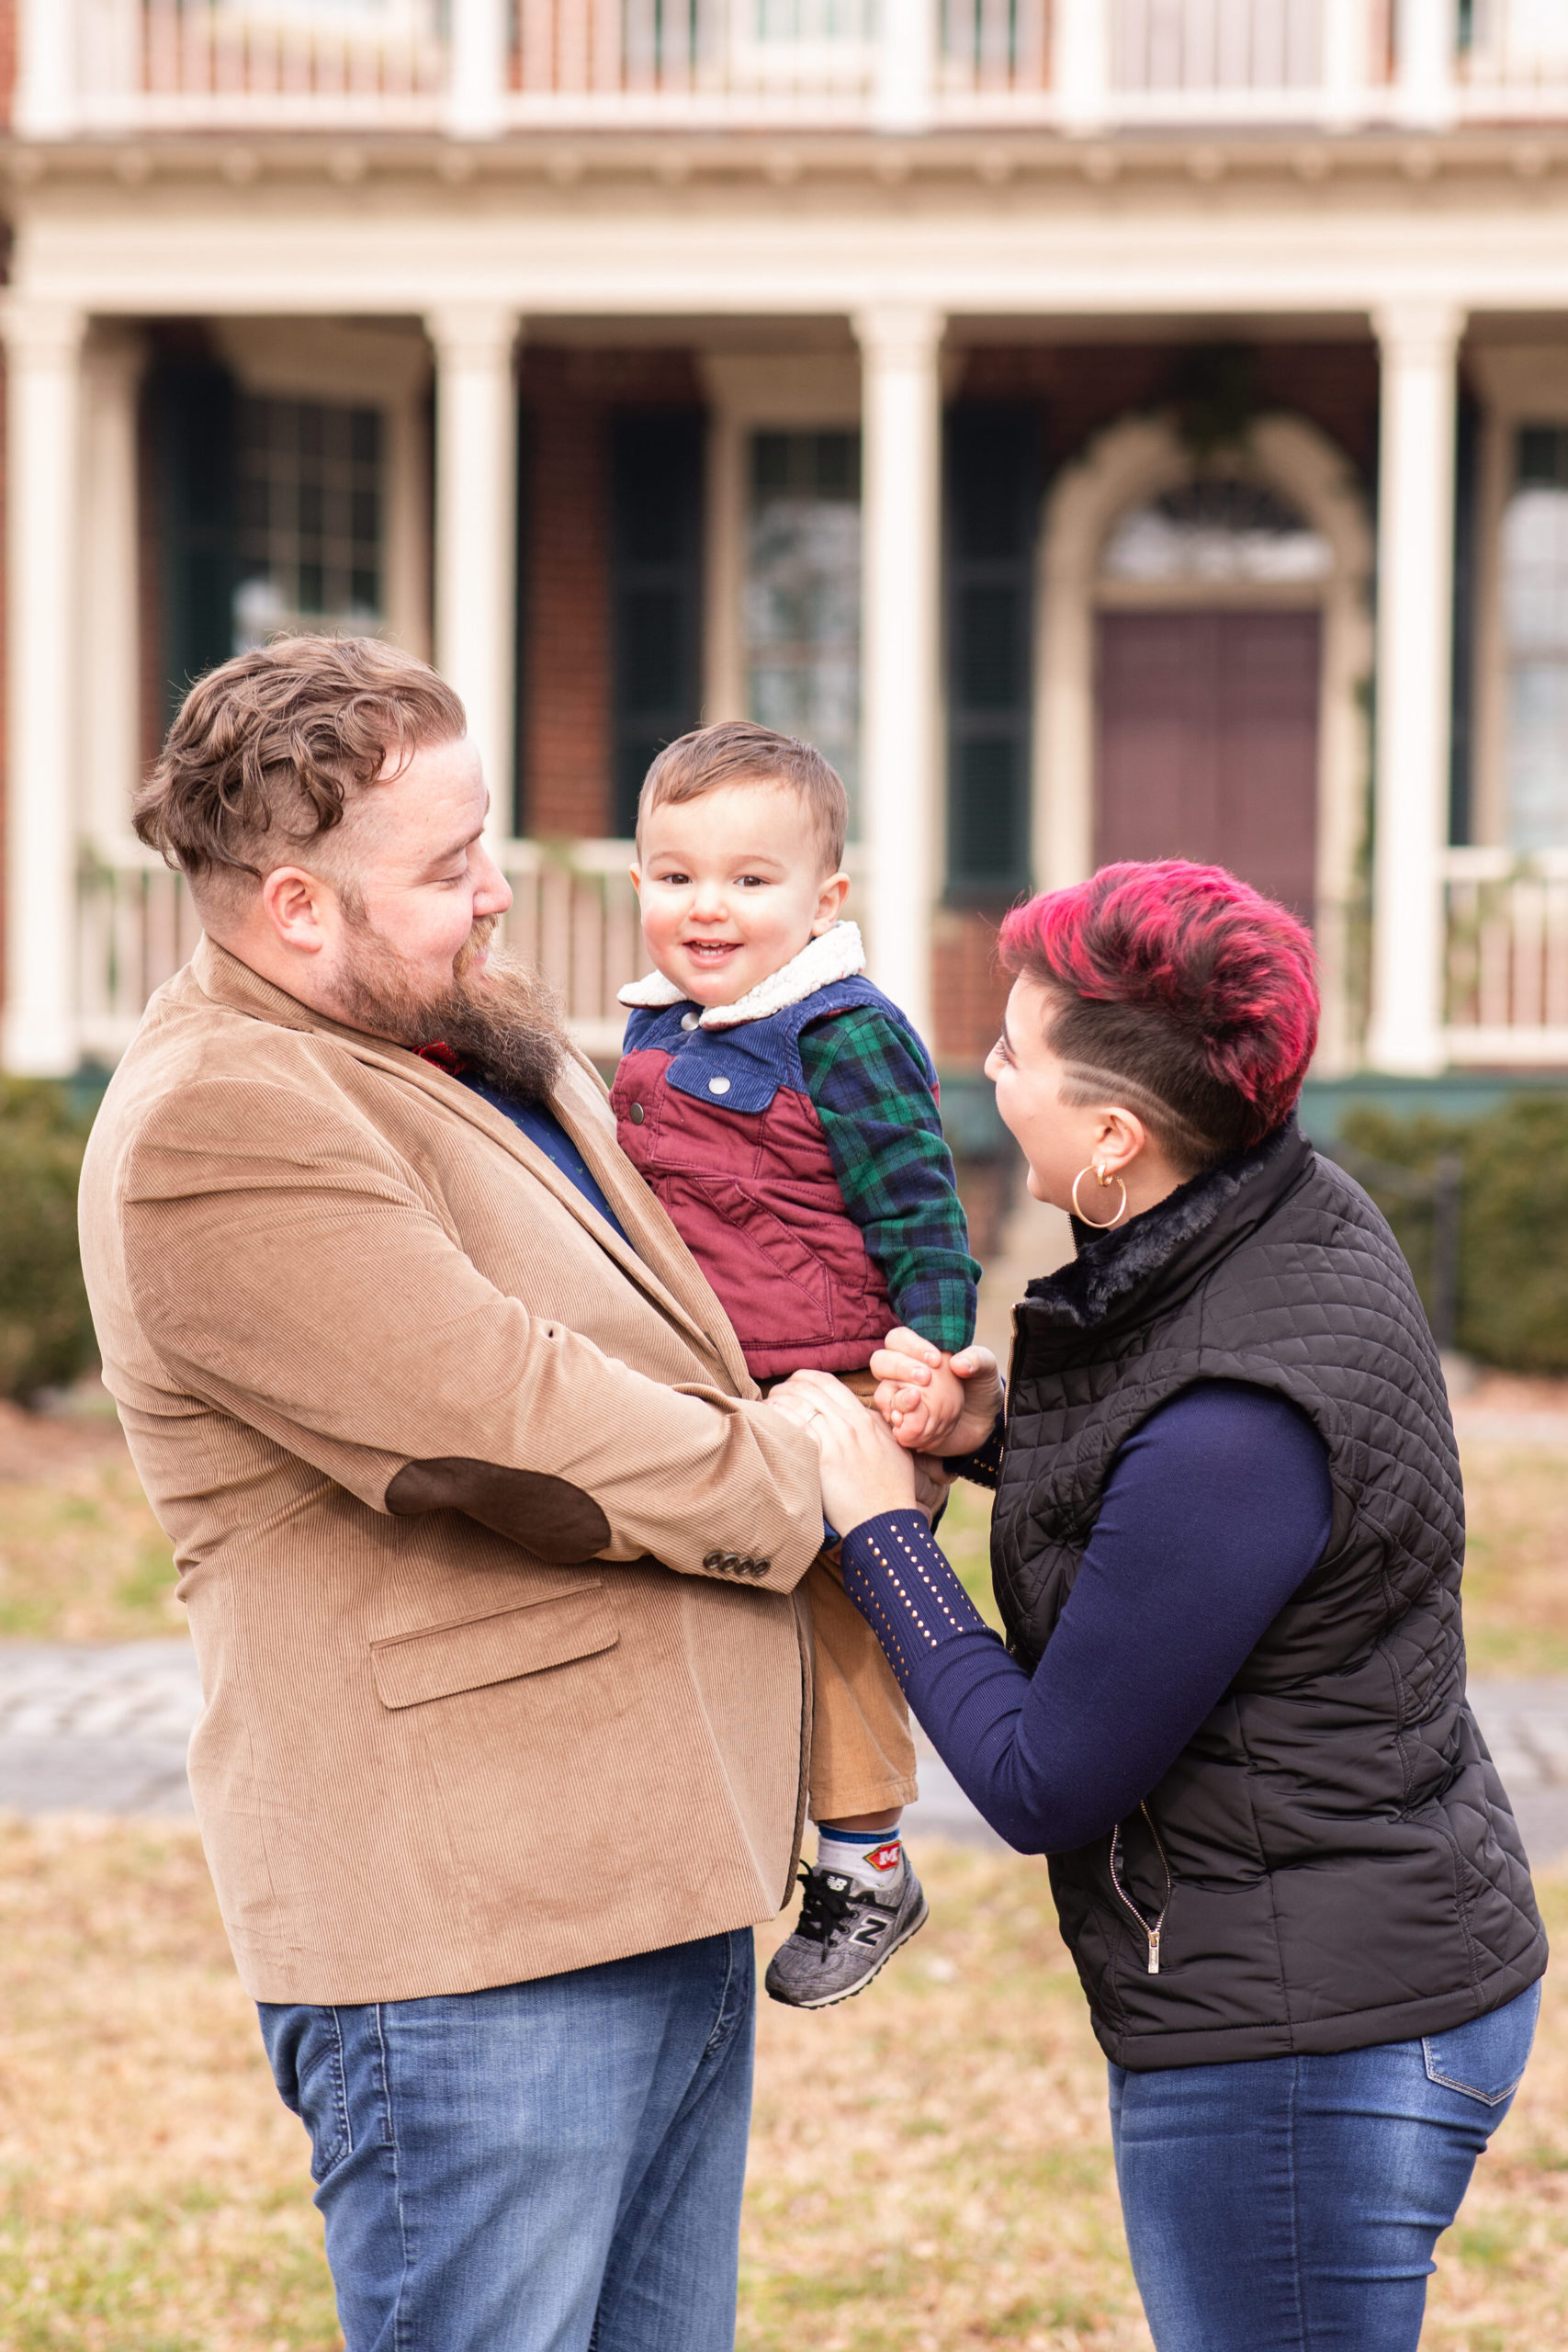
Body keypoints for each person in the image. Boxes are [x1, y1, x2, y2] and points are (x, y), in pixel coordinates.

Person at [77, 636, 833, 2352]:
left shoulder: (467, 1037)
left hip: (663, 1877)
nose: (498, 894)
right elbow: (515, 1425)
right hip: (471, 1951)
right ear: (293, 909)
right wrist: (802, 1481)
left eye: (485, 842)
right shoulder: (220, 1120)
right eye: (444, 868)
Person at [771, 860, 1547, 2352]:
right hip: (1359, 1971)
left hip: (1309, 2046)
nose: (984, 1073)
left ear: (1114, 1134)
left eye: (1010, 1057)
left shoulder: (1239, 1421)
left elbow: (1044, 1777)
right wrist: (987, 1428)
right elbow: (1164, 1486)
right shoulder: (1283, 1216)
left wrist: (879, 1525)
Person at [612, 721, 982, 2007]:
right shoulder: (654, 1035)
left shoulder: (841, 1034)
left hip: (837, 1392)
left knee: (840, 1606)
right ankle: (725, 1828)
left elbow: (922, 1212)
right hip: (717, 1390)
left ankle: (868, 1857)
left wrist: (924, 1372)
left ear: (825, 899)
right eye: (674, 876)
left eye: (749, 880)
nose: (706, 907)